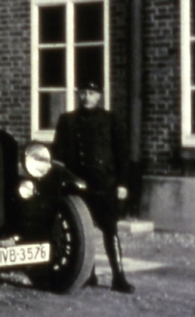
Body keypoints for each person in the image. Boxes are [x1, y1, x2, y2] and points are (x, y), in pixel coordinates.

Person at [52, 81, 134, 294]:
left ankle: (118, 276)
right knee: (82, 230)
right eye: (83, 93)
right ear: (78, 95)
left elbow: (122, 155)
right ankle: (88, 274)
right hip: (78, 185)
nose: (87, 97)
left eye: (92, 93)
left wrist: (123, 183)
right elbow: (57, 154)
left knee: (110, 229)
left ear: (100, 96)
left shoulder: (110, 120)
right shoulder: (67, 121)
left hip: (104, 184)